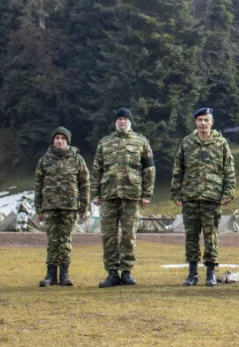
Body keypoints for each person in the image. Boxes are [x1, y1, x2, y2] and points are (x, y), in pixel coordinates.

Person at [171, 107, 236, 287]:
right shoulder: (187, 143)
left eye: (206, 120)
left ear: (211, 122)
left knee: (211, 235)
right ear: (195, 122)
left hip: (212, 197)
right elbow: (178, 169)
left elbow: (229, 171)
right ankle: (192, 273)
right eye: (200, 120)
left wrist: (227, 193)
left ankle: (210, 272)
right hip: (190, 196)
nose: (203, 123)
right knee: (191, 236)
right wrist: (176, 193)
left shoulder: (220, 143)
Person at [91, 108, 155, 288]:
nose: (122, 122)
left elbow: (149, 169)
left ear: (130, 122)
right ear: (115, 122)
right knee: (108, 236)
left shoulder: (141, 141)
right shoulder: (105, 143)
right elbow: (97, 169)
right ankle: (112, 272)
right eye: (119, 119)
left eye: (125, 119)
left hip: (132, 195)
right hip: (109, 194)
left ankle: (127, 272)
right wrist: (95, 193)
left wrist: (147, 193)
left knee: (129, 234)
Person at [33, 127, 89, 287]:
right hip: (49, 206)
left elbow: (85, 184)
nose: (60, 141)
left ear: (67, 142)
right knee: (52, 241)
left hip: (69, 206)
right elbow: (38, 185)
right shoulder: (44, 160)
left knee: (65, 240)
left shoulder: (77, 159)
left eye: (63, 139)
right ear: (53, 140)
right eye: (57, 138)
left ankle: (64, 274)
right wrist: (39, 208)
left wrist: (84, 207)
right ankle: (51, 274)